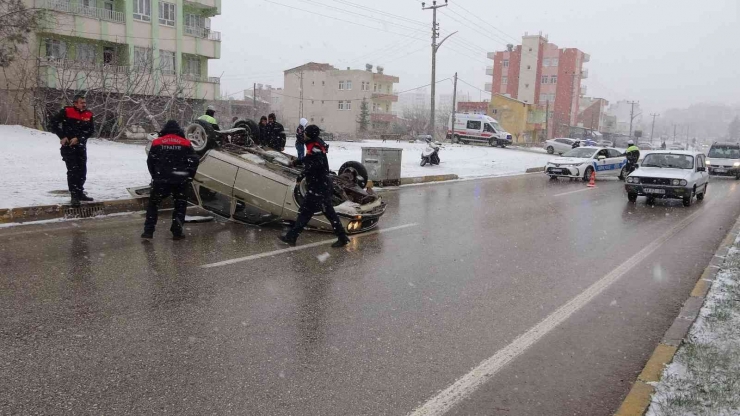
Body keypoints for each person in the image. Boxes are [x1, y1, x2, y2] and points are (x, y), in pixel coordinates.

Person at [279, 125, 350, 248]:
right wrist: (297, 162)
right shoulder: (315, 145)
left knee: (311, 212)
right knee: (315, 212)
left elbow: (313, 166)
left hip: (319, 187)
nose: (304, 135)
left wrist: (301, 176)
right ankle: (342, 237)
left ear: (310, 135)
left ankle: (292, 236)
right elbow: (309, 159)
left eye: (305, 133)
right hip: (320, 185)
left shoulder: (315, 147)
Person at [142, 120, 200, 240]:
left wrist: (155, 175)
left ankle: (148, 231)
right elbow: (194, 161)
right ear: (179, 130)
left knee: (153, 204)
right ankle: (177, 231)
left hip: (161, 180)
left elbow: (150, 161)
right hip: (180, 180)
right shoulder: (185, 143)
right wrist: (189, 176)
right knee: (180, 205)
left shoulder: (157, 142)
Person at [49, 94, 95, 207]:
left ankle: (80, 192)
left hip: (81, 147)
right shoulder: (67, 111)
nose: (84, 104)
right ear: (75, 103)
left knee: (82, 172)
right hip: (69, 147)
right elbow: (53, 123)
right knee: (73, 172)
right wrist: (62, 136)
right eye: (81, 102)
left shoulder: (88, 114)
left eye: (85, 102)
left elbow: (90, 130)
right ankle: (74, 195)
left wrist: (79, 139)